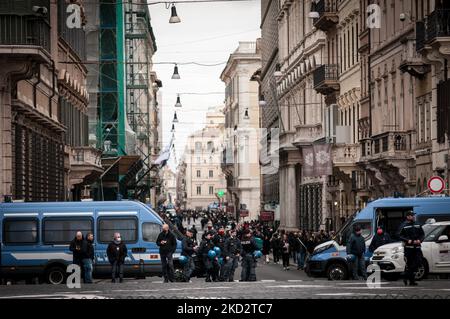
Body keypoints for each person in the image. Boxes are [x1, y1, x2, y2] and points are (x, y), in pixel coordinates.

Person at [397, 211, 425, 286]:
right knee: (409, 264)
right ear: (408, 216)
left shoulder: (418, 224)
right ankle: (411, 281)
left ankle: (406, 276)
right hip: (409, 248)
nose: (413, 216)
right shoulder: (403, 225)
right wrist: (407, 240)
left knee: (419, 262)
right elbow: (399, 235)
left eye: (413, 215)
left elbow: (422, 234)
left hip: (417, 247)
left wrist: (420, 240)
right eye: (412, 215)